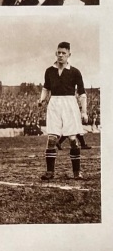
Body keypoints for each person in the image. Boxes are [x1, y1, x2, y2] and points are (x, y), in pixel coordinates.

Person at [38, 42, 87, 180]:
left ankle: (77, 172)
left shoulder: (75, 72)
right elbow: (46, 88)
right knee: (52, 138)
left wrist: (84, 111)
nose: (60, 55)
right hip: (54, 103)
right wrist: (41, 99)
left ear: (69, 55)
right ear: (56, 53)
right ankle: (50, 172)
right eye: (58, 52)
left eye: (63, 53)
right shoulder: (49, 71)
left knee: (72, 139)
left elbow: (82, 93)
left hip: (70, 104)